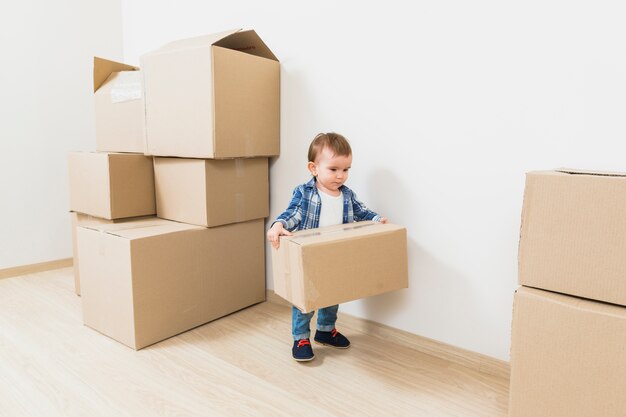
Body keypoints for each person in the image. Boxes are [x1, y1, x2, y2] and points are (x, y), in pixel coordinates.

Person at [267, 132, 388, 362]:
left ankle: (325, 329)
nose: (341, 176)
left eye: (346, 169)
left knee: (332, 295)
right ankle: (301, 337)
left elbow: (362, 212)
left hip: (334, 255)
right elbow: (292, 213)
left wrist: (376, 219)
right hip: (309, 257)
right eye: (333, 169)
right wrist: (278, 225)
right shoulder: (305, 193)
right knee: (306, 300)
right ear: (314, 168)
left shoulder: (347, 195)